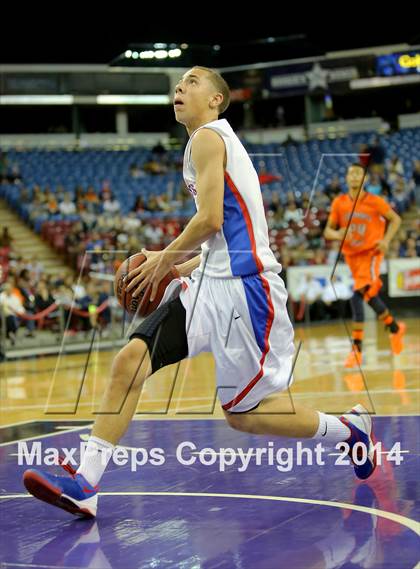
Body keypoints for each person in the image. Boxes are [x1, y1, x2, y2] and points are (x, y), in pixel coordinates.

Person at [23, 67, 377, 518]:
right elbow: (218, 237)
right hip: (213, 283)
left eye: (193, 81)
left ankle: (349, 430)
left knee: (243, 414)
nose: (180, 87)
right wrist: (175, 266)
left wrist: (164, 259)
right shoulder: (204, 145)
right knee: (131, 359)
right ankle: (85, 483)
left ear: (216, 100)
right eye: (179, 83)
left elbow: (209, 220)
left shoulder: (209, 137)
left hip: (247, 291)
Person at [324, 163, 405, 368]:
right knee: (368, 295)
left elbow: (395, 220)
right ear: (346, 178)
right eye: (350, 173)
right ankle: (394, 328)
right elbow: (328, 232)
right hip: (352, 257)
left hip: (371, 253)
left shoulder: (375, 201)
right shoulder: (339, 203)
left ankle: (357, 349)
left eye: (358, 173)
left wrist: (386, 240)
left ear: (365, 179)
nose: (353, 176)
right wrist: (337, 234)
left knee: (358, 294)